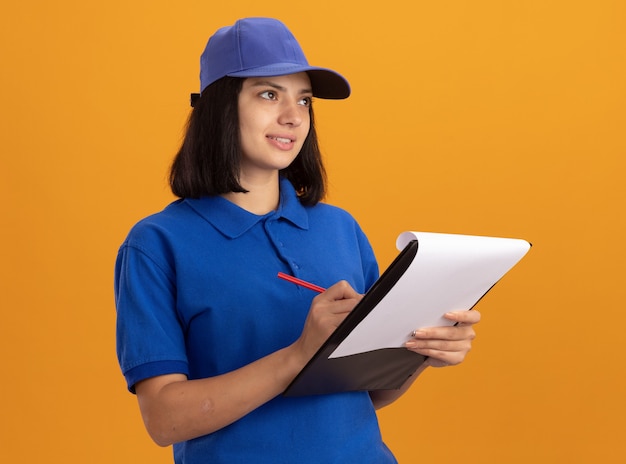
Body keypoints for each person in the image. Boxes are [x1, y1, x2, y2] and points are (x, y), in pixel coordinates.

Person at [114, 17, 480, 464]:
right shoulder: (156, 244)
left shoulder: (340, 228)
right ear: (220, 107)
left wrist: (421, 352)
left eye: (303, 100)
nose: (292, 116)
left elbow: (365, 391)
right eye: (269, 94)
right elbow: (164, 419)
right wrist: (297, 356)